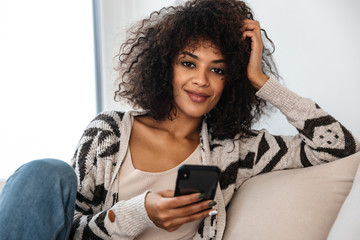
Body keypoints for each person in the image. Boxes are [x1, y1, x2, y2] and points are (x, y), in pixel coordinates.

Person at [0, 0, 359, 239]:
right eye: (189, 63)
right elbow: (73, 233)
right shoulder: (108, 133)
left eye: (217, 70)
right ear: (164, 67)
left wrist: (260, 81)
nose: (201, 80)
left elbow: (338, 145)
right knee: (43, 172)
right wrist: (141, 212)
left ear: (229, 80)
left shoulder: (235, 151)